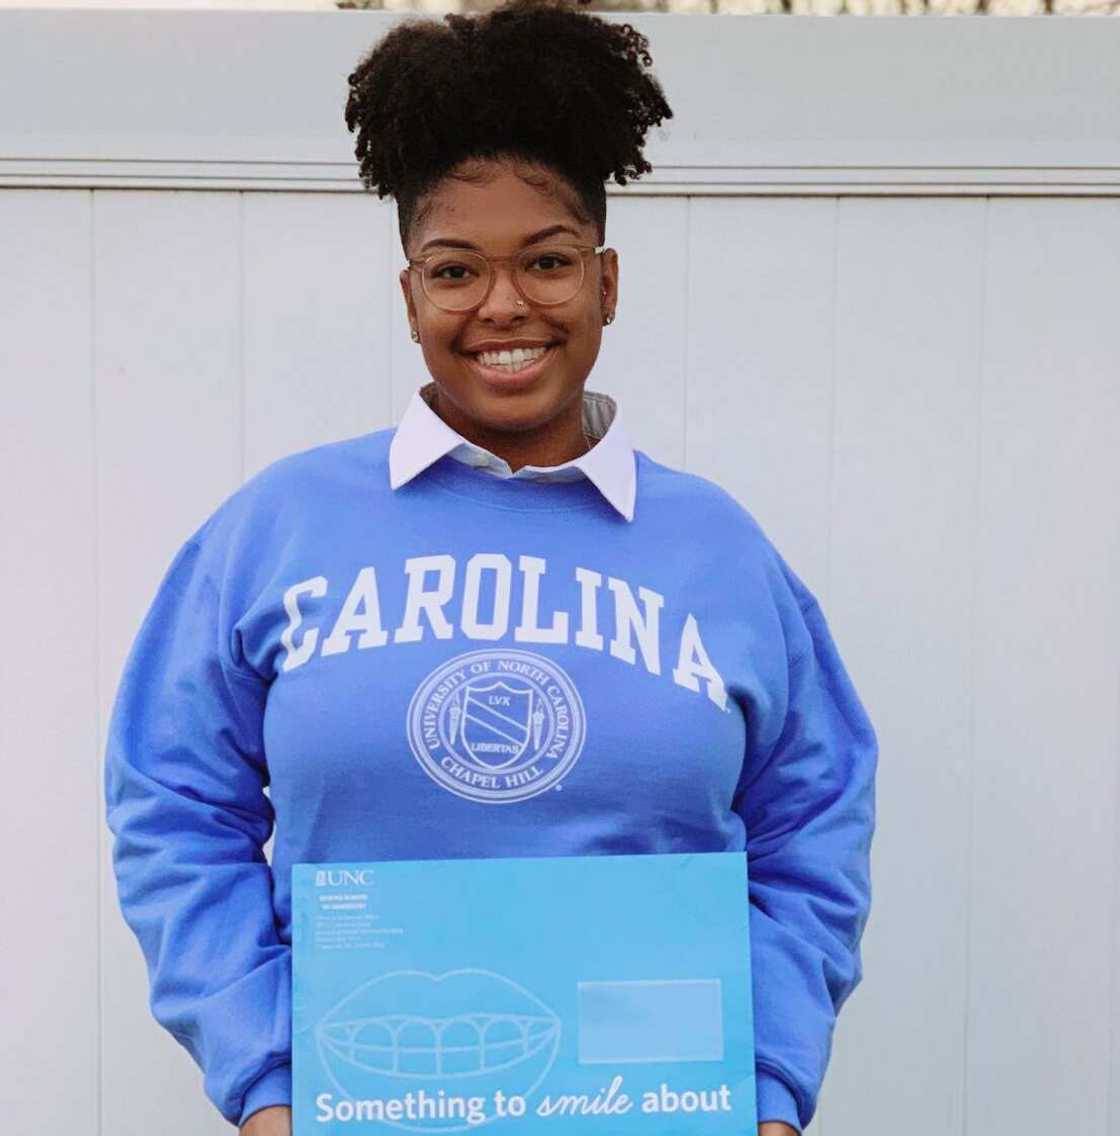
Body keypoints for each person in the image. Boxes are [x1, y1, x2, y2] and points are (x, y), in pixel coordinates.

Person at [103, 2, 878, 1134]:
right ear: (410, 296)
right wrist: (265, 1079)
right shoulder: (275, 531)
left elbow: (814, 824)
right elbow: (173, 805)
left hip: (654, 1106)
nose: (503, 304)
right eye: (456, 269)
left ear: (605, 283)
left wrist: (764, 1086)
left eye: (548, 262)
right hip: (364, 1105)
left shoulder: (721, 551)